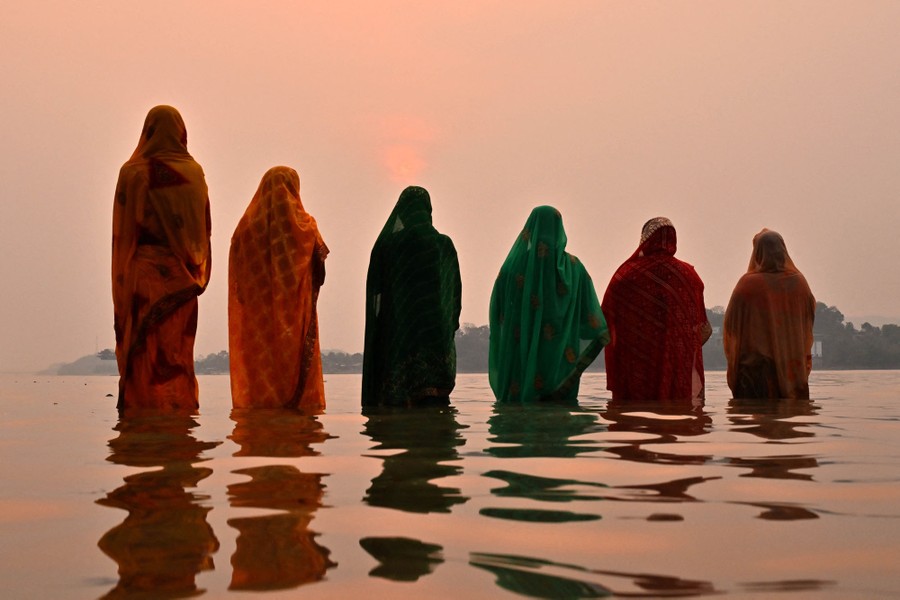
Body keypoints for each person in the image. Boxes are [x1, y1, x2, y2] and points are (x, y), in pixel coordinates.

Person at [112, 105, 211, 411]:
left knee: (145, 350)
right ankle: (178, 413)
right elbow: (202, 230)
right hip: (183, 277)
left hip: (144, 278)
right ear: (181, 132)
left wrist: (122, 282)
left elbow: (123, 235)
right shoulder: (193, 174)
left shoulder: (133, 172)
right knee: (176, 350)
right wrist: (196, 268)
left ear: (148, 131)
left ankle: (142, 414)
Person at [228, 166, 329, 409]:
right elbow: (320, 271)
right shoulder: (305, 227)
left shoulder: (245, 228)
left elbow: (238, 281)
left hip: (256, 322)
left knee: (262, 372)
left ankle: (260, 416)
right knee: (292, 368)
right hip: (294, 319)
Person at [489, 206, 609, 403]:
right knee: (559, 417)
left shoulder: (512, 269)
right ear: (560, 229)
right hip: (561, 359)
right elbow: (591, 322)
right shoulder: (575, 268)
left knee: (516, 418)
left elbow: (498, 312)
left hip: (521, 355)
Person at [362, 186, 462, 406]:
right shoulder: (443, 245)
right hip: (437, 336)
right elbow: (454, 293)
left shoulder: (388, 245)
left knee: (400, 405)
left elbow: (377, 293)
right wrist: (449, 324)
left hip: (399, 334)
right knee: (436, 408)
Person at [602, 217, 711, 403]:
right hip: (677, 369)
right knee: (680, 418)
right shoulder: (689, 277)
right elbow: (703, 330)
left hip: (636, 366)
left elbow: (605, 320)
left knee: (632, 422)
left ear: (644, 239)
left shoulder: (625, 276)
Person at [724, 228, 816, 399]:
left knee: (754, 421)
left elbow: (731, 328)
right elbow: (807, 325)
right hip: (792, 372)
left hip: (755, 373)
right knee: (791, 422)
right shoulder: (799, 284)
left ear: (758, 253)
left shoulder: (747, 285)